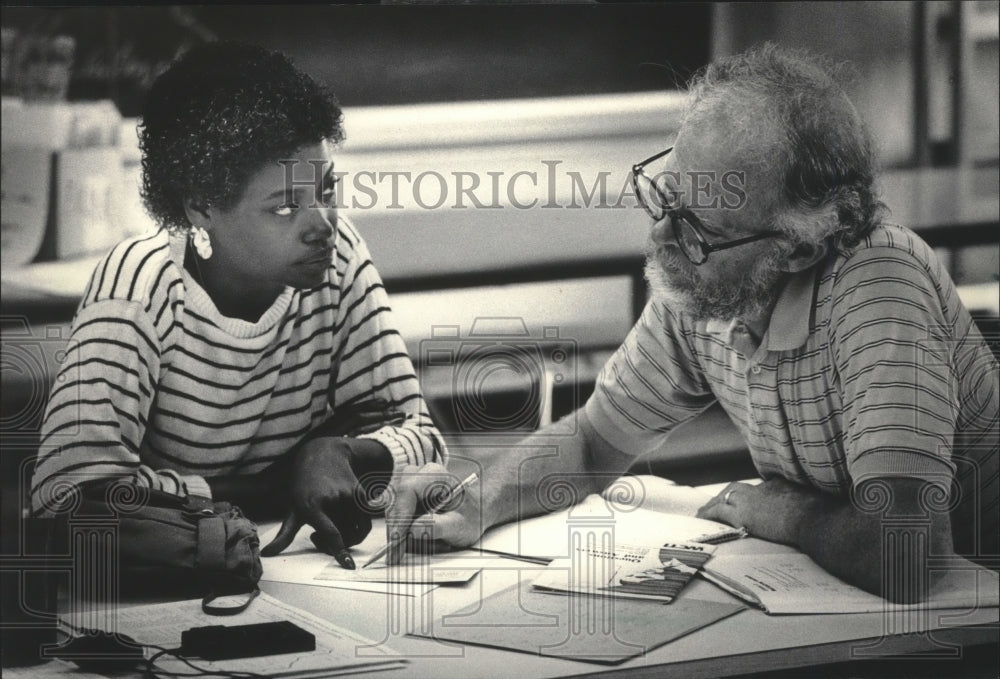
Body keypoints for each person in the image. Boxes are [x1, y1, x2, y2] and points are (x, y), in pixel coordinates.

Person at [388, 44, 998, 602]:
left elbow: (906, 552)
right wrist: (477, 499)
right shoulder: (706, 282)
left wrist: (777, 512)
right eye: (666, 197)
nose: (661, 237)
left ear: (800, 249)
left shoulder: (878, 284)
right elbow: (592, 442)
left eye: (699, 229)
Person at [31, 42, 446, 569]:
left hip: (301, 575)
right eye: (285, 206)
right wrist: (283, 481)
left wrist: (339, 452)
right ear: (201, 206)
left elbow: (422, 437)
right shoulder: (139, 285)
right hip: (179, 591)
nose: (322, 223)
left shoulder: (339, 258)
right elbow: (68, 497)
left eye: (326, 189)